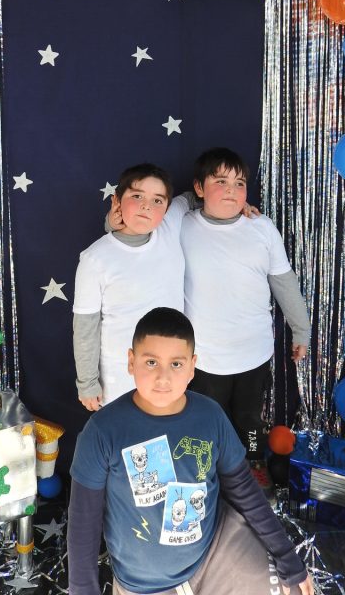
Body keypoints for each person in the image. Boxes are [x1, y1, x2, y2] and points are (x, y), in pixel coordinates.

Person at [67, 307, 314, 595]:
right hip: (147, 584)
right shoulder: (102, 430)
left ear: (192, 366)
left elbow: (244, 490)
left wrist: (287, 556)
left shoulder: (210, 415)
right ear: (131, 362)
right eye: (151, 362)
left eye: (176, 364)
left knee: (293, 589)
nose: (163, 378)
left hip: (214, 552)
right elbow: (84, 522)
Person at [181, 148, 312, 462]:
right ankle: (210, 476)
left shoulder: (261, 227)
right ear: (199, 187)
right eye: (221, 182)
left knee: (250, 421)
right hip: (205, 357)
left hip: (254, 351)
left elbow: (284, 282)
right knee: (207, 423)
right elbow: (138, 229)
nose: (231, 190)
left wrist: (301, 331)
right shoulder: (181, 226)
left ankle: (253, 468)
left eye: (239, 184)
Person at [73, 163, 187, 410]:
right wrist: (87, 383)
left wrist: (239, 208)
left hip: (171, 373)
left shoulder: (169, 226)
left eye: (157, 201)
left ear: (167, 208)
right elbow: (85, 328)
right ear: (116, 201)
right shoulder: (95, 258)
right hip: (121, 375)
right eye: (137, 196)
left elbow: (193, 197)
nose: (147, 206)